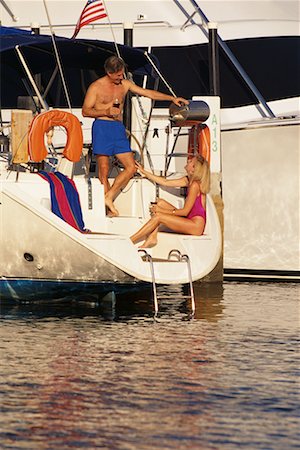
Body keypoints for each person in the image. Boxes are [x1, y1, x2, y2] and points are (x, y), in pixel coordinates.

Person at [82, 55, 189, 216]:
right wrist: (106, 111)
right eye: (118, 75)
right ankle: (106, 210)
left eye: (122, 73)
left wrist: (172, 98)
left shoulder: (124, 84)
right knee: (103, 170)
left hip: (117, 129)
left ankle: (109, 197)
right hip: (102, 127)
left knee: (131, 167)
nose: (121, 77)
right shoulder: (96, 87)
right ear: (109, 73)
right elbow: (85, 111)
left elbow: (148, 93)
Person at [130, 155, 210, 248]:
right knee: (160, 203)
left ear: (193, 168)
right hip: (189, 220)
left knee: (158, 217)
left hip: (195, 226)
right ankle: (152, 237)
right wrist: (144, 172)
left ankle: (131, 240)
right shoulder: (188, 180)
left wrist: (161, 211)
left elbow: (185, 212)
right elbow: (165, 182)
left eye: (191, 161)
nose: (188, 160)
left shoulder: (195, 185)